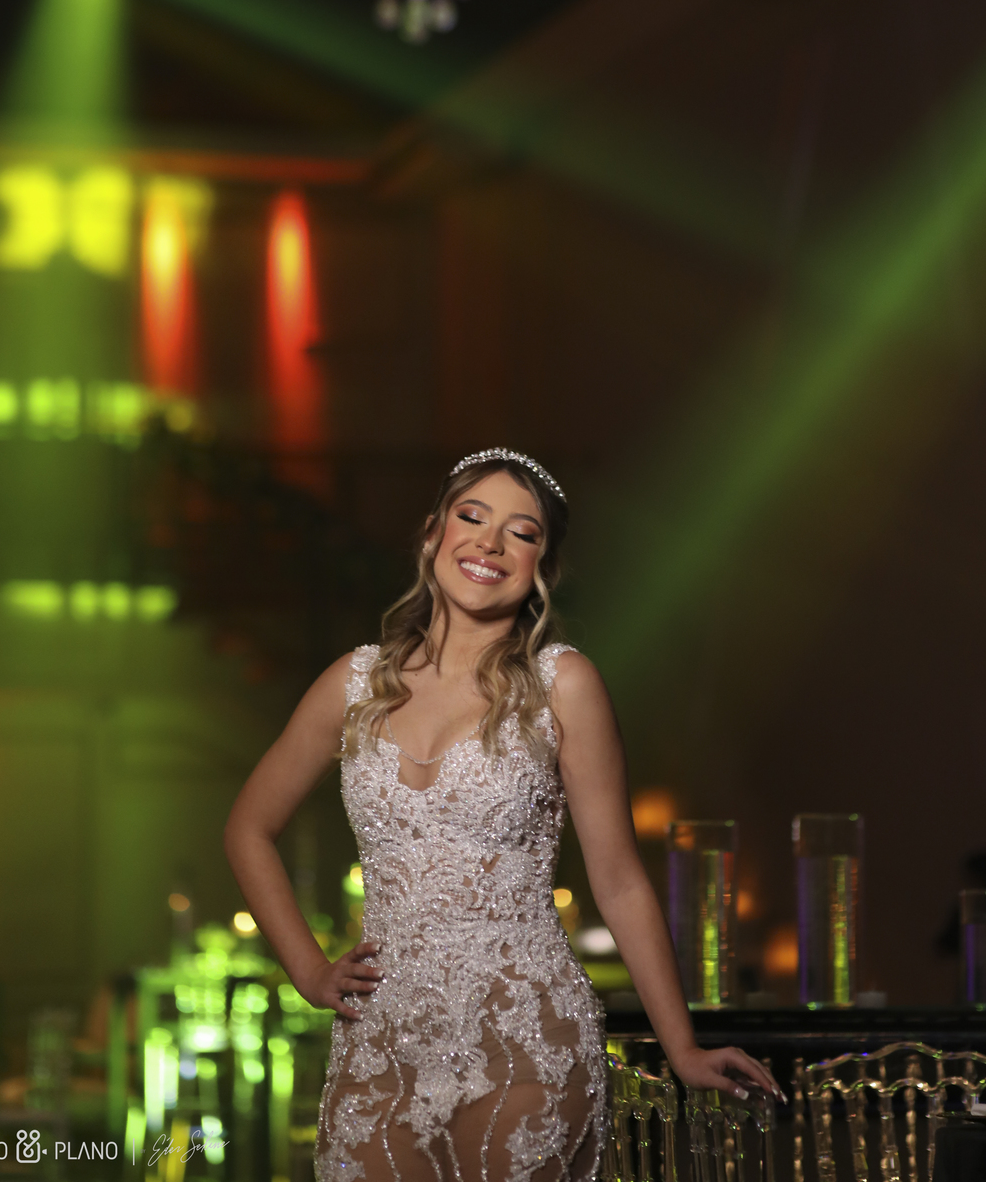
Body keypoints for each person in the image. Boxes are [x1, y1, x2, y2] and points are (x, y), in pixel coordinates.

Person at [224, 449, 780, 1182]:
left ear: (541, 567)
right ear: (433, 534)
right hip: (382, 1042)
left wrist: (681, 1047)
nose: (490, 543)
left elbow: (619, 883)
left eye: (521, 533)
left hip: (526, 1038)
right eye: (473, 517)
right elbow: (248, 829)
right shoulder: (353, 684)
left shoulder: (564, 686)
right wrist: (308, 971)